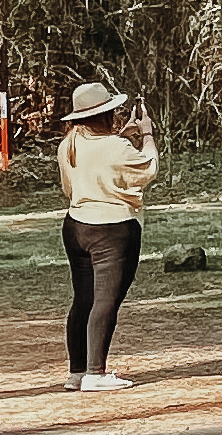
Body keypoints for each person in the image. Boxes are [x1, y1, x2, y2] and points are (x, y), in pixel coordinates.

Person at [53, 80, 156, 389]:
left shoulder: (68, 144)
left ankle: (78, 371)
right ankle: (96, 373)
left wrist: (124, 136)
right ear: (105, 115)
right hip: (113, 230)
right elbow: (148, 166)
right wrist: (147, 133)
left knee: (83, 299)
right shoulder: (116, 147)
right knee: (106, 300)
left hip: (76, 226)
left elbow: (71, 185)